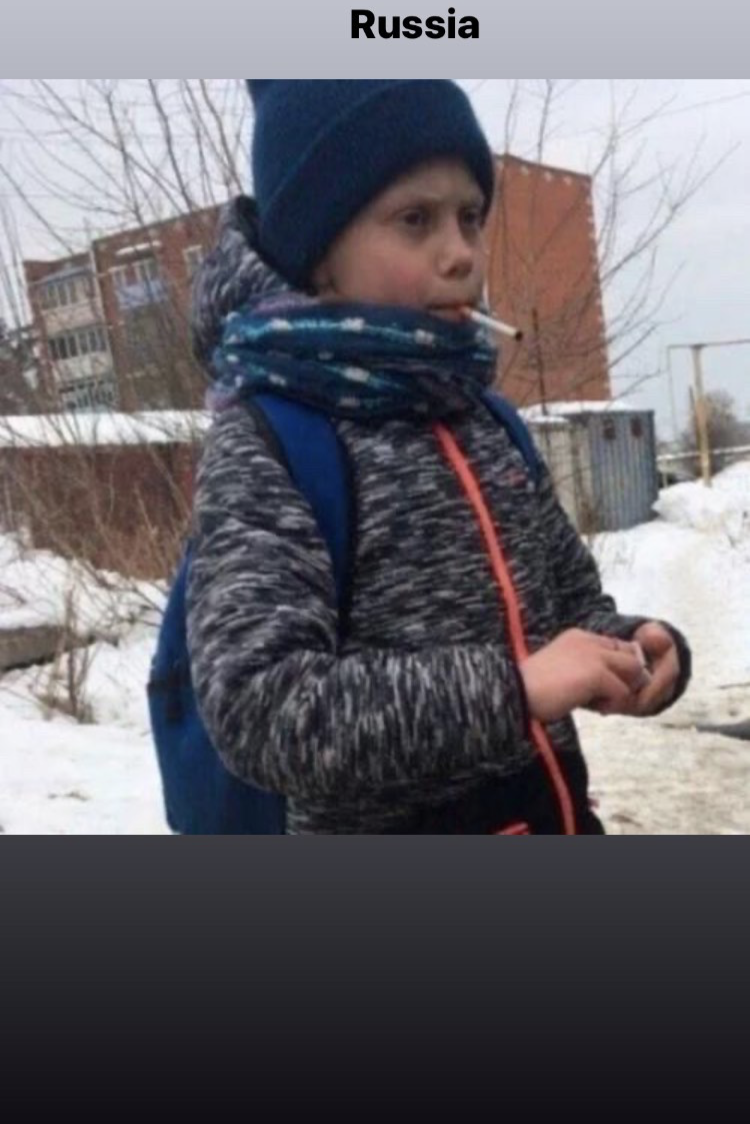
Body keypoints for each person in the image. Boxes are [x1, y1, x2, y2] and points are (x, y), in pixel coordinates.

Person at [186, 79, 690, 834]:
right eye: (415, 219)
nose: (460, 254)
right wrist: (513, 692)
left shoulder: (487, 419)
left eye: (470, 217)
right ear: (318, 252)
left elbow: (566, 611)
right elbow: (263, 708)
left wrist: (634, 649)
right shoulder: (274, 438)